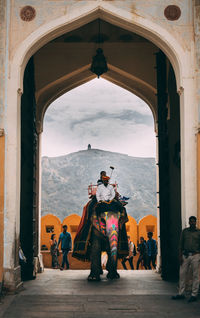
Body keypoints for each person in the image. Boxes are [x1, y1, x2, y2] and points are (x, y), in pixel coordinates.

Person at [73, 174, 129, 281]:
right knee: (95, 248)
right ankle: (95, 270)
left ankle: (112, 270)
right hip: (98, 228)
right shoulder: (95, 200)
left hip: (112, 226)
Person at [172, 216, 200, 302]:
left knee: (196, 275)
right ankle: (181, 293)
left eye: (193, 221)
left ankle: (194, 294)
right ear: (189, 222)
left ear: (195, 222)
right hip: (185, 255)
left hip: (196, 255)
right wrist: (180, 256)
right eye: (190, 221)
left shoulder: (199, 232)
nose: (192, 223)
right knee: (182, 274)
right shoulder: (185, 232)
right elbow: (181, 244)